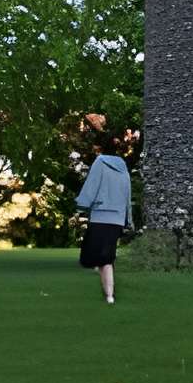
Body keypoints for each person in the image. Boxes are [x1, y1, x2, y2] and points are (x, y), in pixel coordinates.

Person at [72, 128, 133, 304]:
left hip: (100, 216)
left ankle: (109, 295)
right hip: (117, 219)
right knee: (107, 258)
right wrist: (128, 218)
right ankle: (109, 296)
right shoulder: (124, 168)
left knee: (97, 258)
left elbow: (92, 186)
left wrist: (82, 204)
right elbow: (127, 195)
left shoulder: (100, 162)